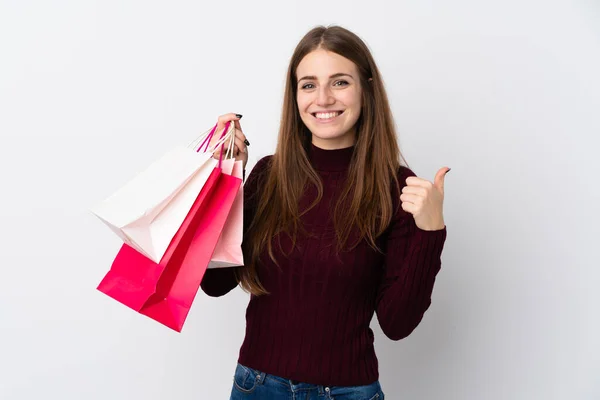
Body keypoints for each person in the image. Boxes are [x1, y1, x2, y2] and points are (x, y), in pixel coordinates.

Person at [202, 25, 449, 400]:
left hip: (348, 392)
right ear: (295, 94)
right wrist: (225, 182)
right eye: (308, 84)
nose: (323, 98)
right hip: (256, 387)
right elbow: (214, 284)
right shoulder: (269, 175)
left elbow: (397, 324)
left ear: (366, 88)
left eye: (339, 82)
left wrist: (430, 233)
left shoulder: (396, 187)